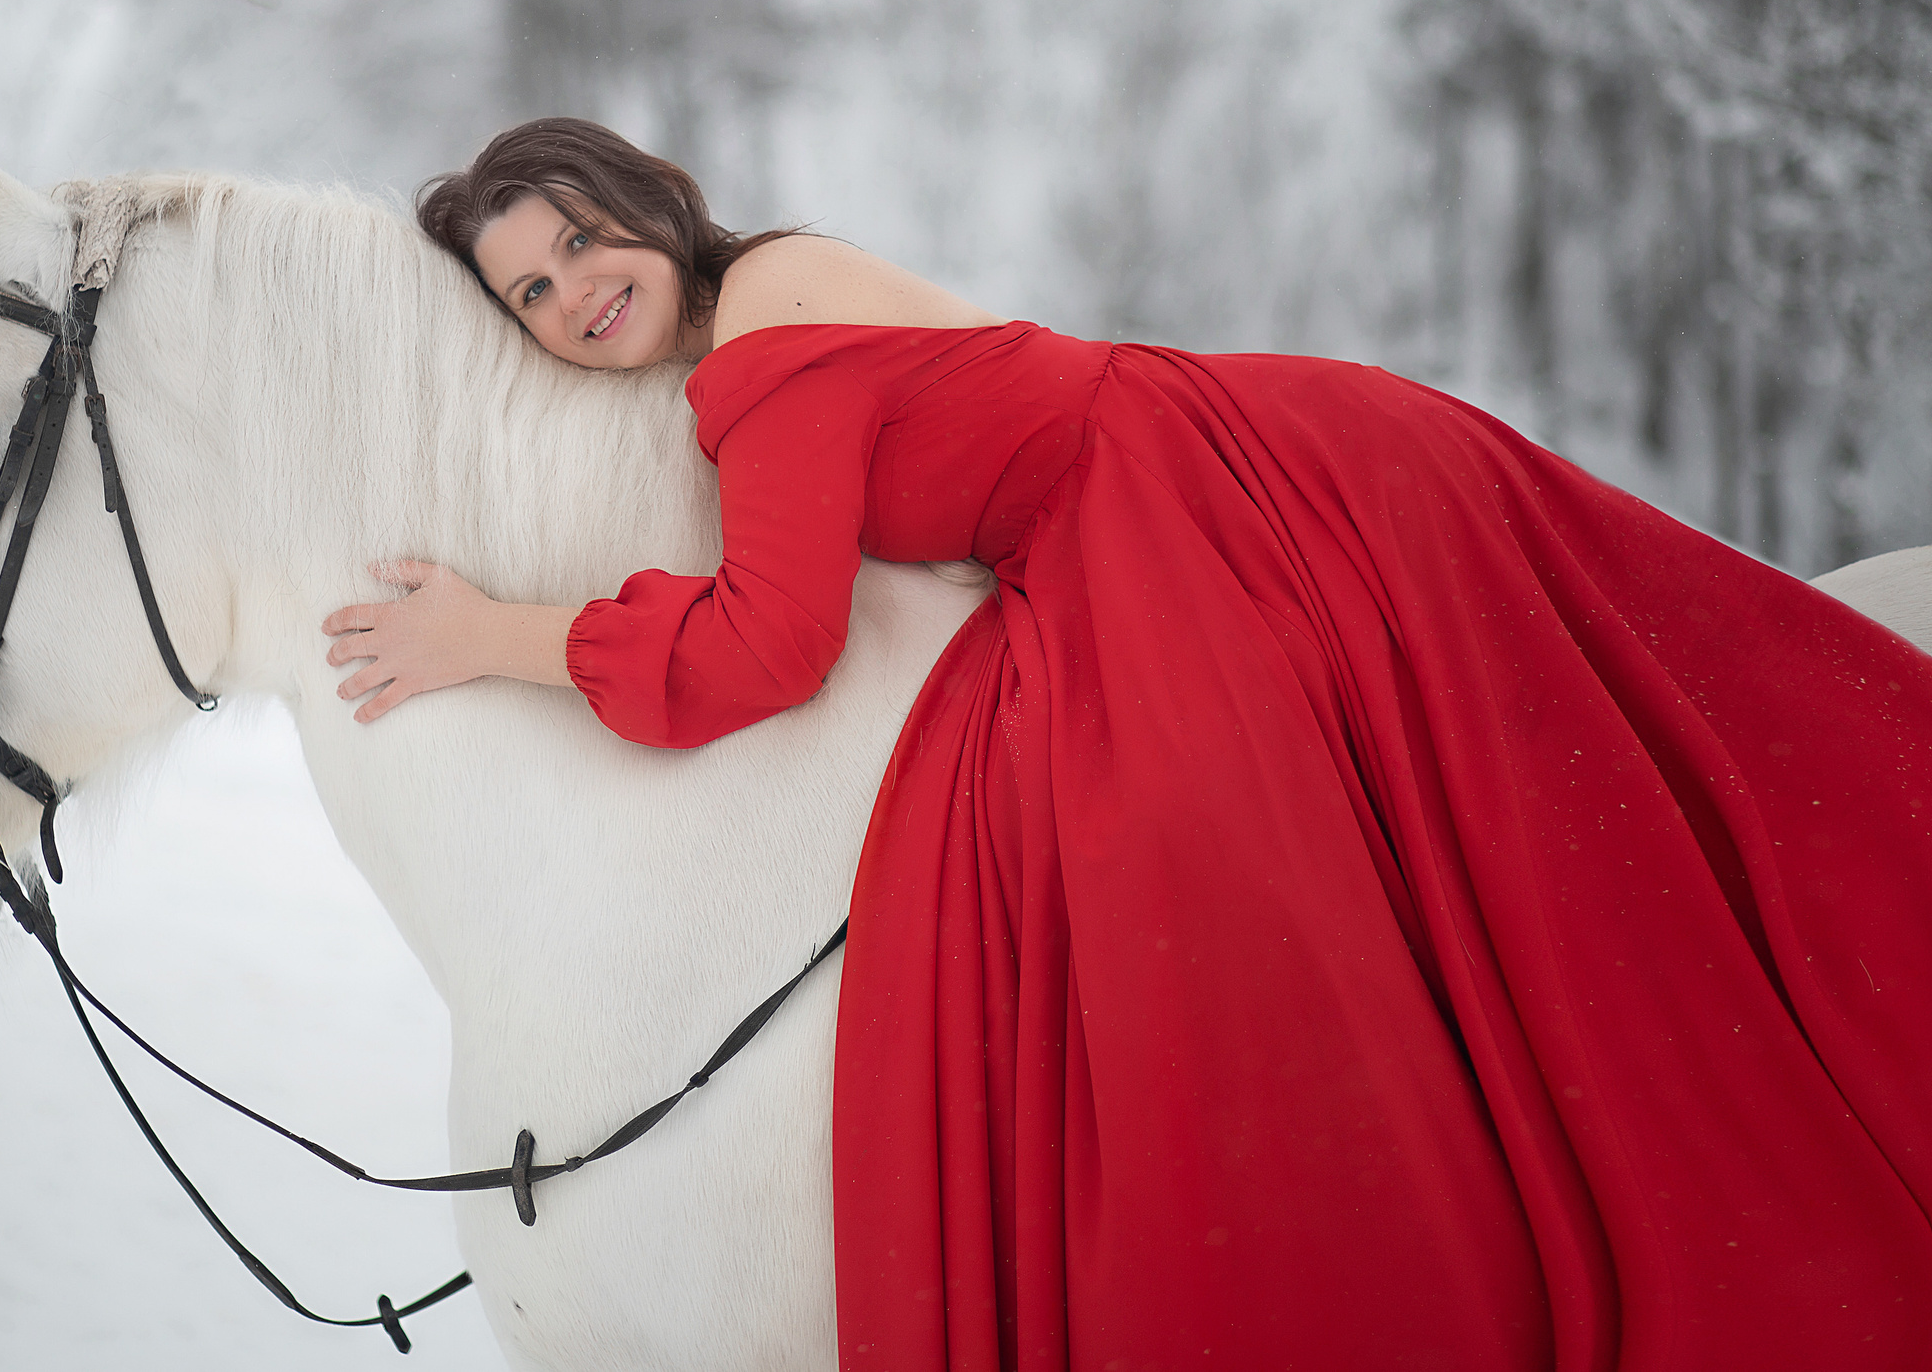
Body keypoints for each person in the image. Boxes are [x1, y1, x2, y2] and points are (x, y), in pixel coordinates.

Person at [321, 117, 1932, 1371]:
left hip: (1209, 508)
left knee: (1218, 855)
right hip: (1210, 473)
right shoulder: (755, 318)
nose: (573, 293)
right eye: (530, 291)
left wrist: (495, 638)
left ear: (649, 201)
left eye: (582, 241)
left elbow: (768, 644)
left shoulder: (762, 338)